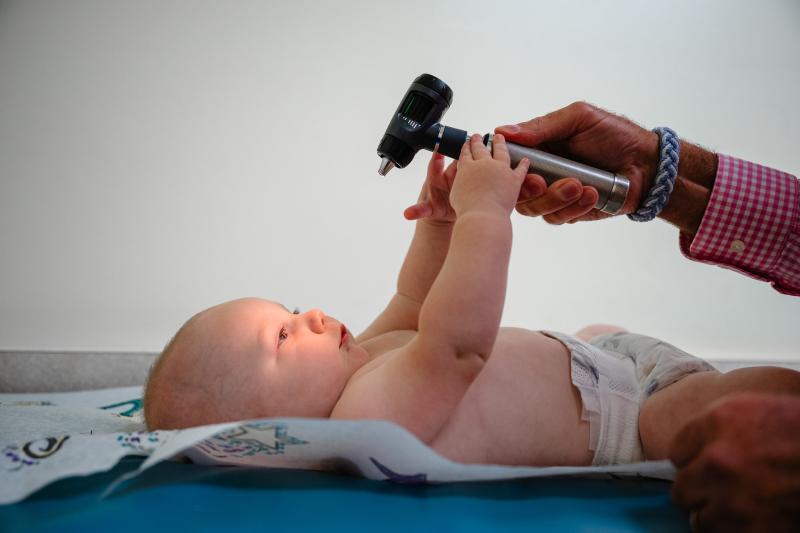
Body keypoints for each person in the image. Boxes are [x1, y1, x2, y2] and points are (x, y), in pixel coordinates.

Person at [144, 135, 800, 478]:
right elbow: (456, 347)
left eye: (290, 307)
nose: (312, 314)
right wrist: (483, 213)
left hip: (603, 360)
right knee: (716, 409)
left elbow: (412, 304)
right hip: (631, 422)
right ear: (270, 429)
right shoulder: (365, 419)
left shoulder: (363, 363)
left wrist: (436, 223)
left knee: (598, 329)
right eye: (284, 335)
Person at [490, 104, 799, 532]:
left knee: (718, 410)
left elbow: (451, 345)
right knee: (615, 346)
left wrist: (464, 216)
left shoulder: (374, 388)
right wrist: (653, 171)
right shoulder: (373, 402)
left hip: (629, 396)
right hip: (617, 388)